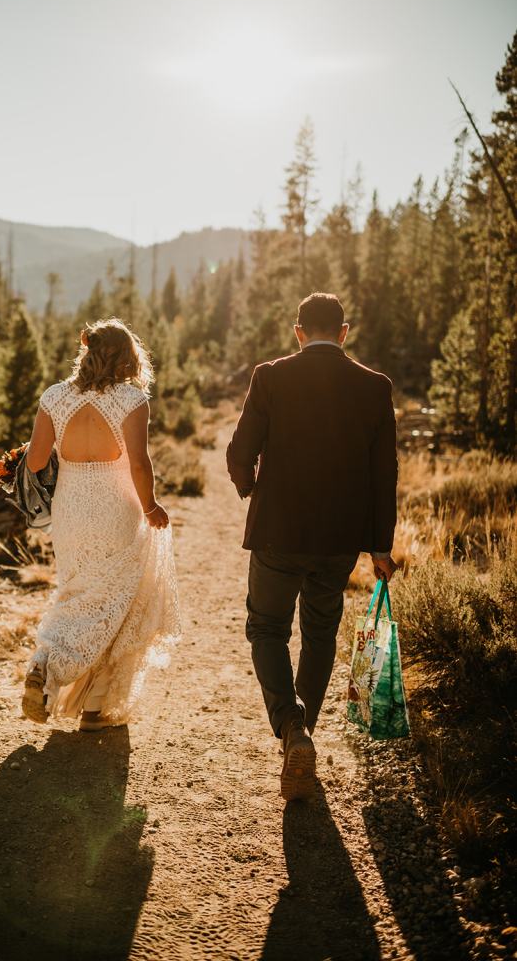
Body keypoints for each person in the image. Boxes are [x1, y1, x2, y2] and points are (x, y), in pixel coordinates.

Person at [226, 292, 398, 801]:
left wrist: (252, 488)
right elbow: (383, 474)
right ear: (344, 333)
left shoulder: (271, 376)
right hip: (339, 539)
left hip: (279, 531)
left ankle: (290, 728)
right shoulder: (374, 386)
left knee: (267, 627)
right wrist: (379, 546)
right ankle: (305, 733)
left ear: (298, 331)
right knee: (320, 633)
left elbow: (239, 453)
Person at [21, 318, 180, 731]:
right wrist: (150, 508)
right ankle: (92, 706)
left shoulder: (54, 397)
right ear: (128, 358)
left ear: (88, 352)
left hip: (70, 508)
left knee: (75, 592)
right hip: (116, 506)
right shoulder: (131, 400)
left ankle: (45, 665)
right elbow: (140, 464)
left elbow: (36, 462)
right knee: (116, 601)